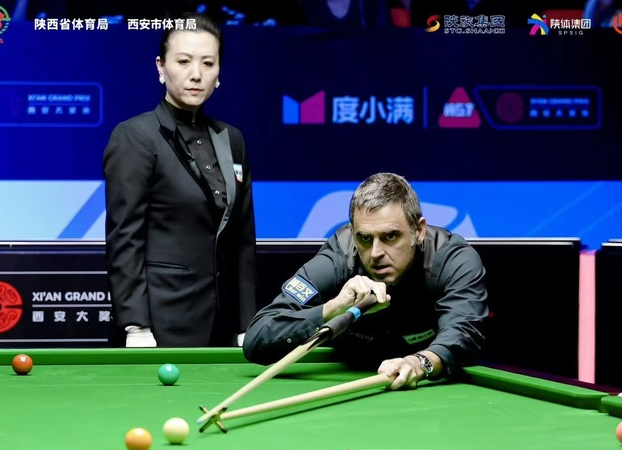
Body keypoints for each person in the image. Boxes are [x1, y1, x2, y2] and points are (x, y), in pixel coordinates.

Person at [243, 173, 488, 390]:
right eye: (365, 238)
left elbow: (463, 330)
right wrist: (333, 308)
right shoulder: (338, 258)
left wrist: (419, 362)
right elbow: (257, 339)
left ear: (419, 230)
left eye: (390, 236)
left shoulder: (452, 259)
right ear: (353, 234)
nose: (375, 253)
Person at [103, 12, 256, 348]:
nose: (196, 74)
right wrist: (135, 325)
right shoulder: (135, 136)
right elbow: (125, 238)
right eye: (184, 61)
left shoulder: (232, 139)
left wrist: (247, 323)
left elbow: (243, 241)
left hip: (223, 324)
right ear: (161, 67)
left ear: (219, 72)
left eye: (208, 63)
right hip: (160, 323)